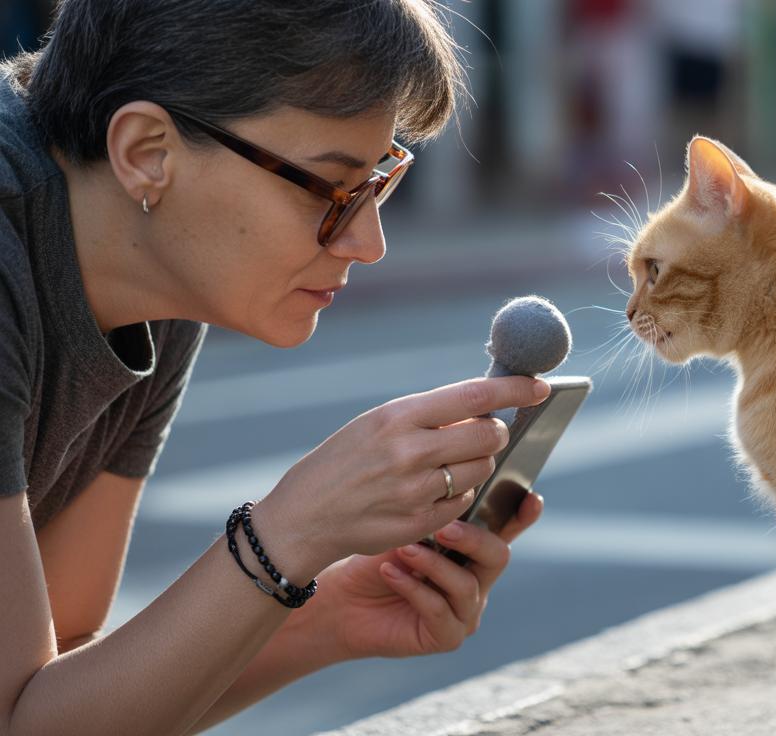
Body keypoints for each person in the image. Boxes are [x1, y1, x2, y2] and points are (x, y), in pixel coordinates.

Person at [0, 2, 550, 734]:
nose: (368, 241)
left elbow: (59, 681)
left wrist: (324, 620)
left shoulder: (158, 269)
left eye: (380, 180)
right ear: (146, 152)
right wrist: (292, 531)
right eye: (330, 187)